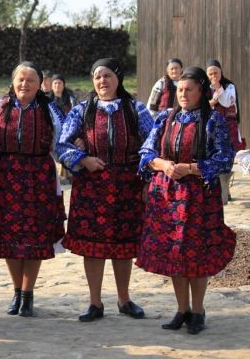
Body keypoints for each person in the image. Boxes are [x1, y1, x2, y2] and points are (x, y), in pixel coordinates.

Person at [136, 66, 236, 335]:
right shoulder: (165, 118)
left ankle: (198, 310)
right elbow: (146, 151)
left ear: (201, 91)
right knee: (175, 252)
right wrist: (164, 165)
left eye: (189, 89)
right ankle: (182, 309)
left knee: (196, 253)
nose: (183, 94)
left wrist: (191, 168)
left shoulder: (213, 120)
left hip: (199, 197)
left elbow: (225, 158)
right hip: (167, 195)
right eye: (180, 89)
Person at [57, 58, 154, 322]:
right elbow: (62, 144)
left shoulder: (136, 110)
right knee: (92, 246)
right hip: (92, 186)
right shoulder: (81, 111)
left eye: (108, 75)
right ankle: (95, 302)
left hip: (127, 185)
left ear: (118, 78)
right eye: (97, 77)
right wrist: (83, 159)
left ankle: (124, 299)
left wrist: (147, 179)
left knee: (124, 245)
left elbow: (151, 145)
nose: (102, 81)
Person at [0, 61, 65, 317]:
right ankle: (17, 290)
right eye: (20, 79)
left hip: (38, 180)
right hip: (5, 179)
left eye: (30, 80)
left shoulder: (50, 111)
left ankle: (28, 294)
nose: (24, 84)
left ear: (40, 84)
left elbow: (61, 144)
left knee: (34, 238)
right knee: (9, 238)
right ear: (13, 81)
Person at [206, 59, 243, 204]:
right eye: (210, 74)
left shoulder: (229, 86)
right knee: (215, 157)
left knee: (229, 158)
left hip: (229, 127)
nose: (213, 76)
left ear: (221, 72)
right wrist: (212, 100)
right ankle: (220, 190)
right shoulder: (204, 88)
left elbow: (227, 102)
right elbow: (205, 105)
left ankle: (226, 189)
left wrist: (218, 89)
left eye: (216, 73)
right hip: (212, 128)